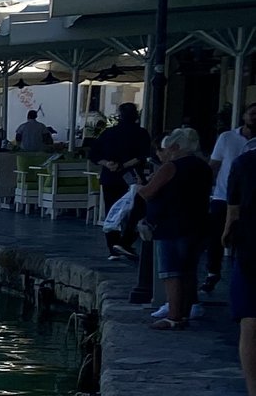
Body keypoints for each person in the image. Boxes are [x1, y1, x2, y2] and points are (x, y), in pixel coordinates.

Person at [140, 127, 215, 329]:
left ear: (174, 146)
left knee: (171, 272)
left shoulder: (171, 167)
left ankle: (174, 316)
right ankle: (186, 312)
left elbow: (148, 192)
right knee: (189, 271)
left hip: (171, 224)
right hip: (197, 223)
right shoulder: (203, 167)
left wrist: (140, 187)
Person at [209, 105, 256, 291]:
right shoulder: (227, 138)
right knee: (215, 236)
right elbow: (214, 163)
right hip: (222, 195)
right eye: (252, 113)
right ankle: (213, 272)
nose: (254, 117)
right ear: (244, 115)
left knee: (243, 238)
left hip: (248, 200)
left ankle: (240, 274)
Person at [229, 129, 256, 396]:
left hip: (250, 249)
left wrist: (226, 237)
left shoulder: (244, 163)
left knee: (250, 322)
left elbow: (232, 211)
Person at [90, 100, 152, 228]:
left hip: (110, 177)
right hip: (133, 177)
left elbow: (93, 154)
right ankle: (127, 239)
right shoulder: (141, 133)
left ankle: (113, 240)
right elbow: (143, 156)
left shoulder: (108, 133)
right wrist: (124, 165)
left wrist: (108, 164)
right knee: (135, 210)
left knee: (112, 210)